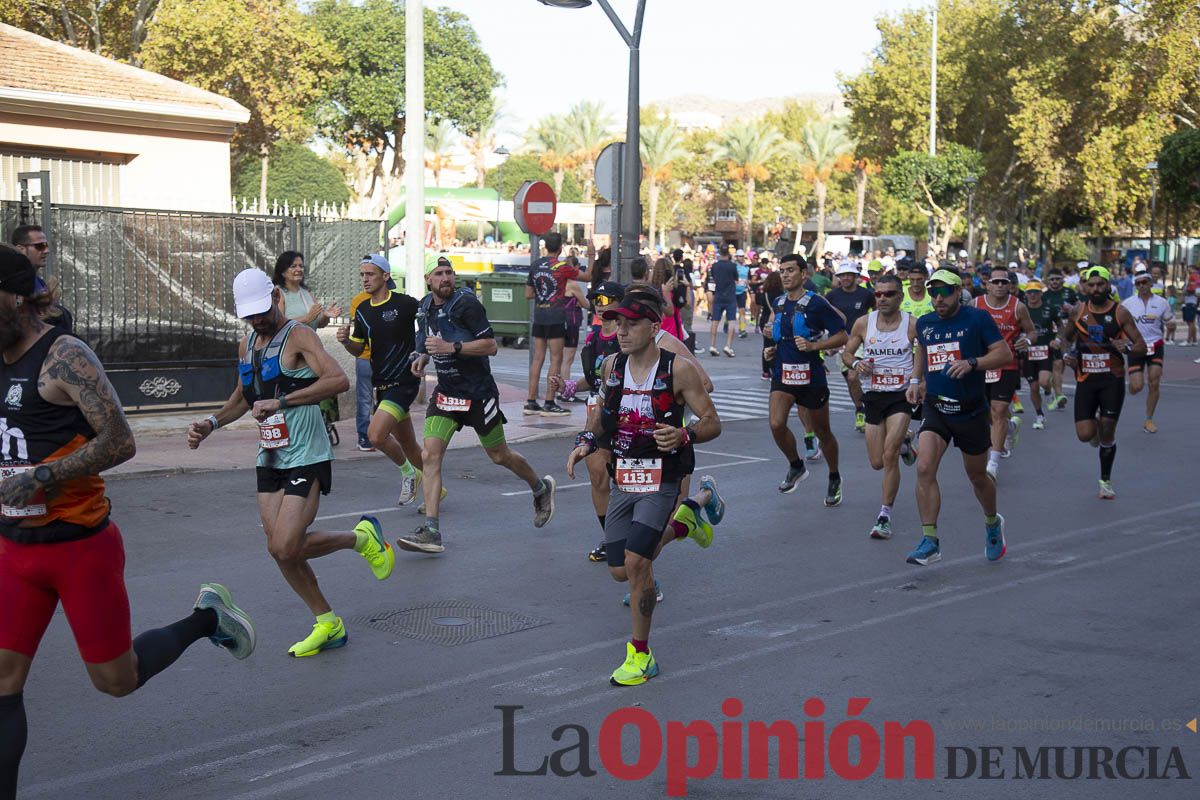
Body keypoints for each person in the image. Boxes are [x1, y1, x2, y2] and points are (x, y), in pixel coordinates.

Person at [0, 246, 256, 798]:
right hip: (13, 550)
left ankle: (206, 620)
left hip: (79, 549)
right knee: (2, 685)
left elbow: (120, 441)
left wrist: (43, 477)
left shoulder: (63, 356)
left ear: (15, 296)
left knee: (116, 681)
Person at [188, 268, 393, 657]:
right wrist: (211, 423)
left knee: (286, 544)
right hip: (270, 455)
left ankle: (361, 540)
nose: (257, 320)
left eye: (262, 311)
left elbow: (337, 381)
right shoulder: (247, 344)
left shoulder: (299, 336)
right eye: (249, 315)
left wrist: (282, 401)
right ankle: (328, 623)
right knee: (279, 549)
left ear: (277, 298)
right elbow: (244, 396)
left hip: (307, 453)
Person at [566, 293, 725, 687]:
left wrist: (684, 433)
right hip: (625, 477)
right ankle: (689, 519)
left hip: (663, 477)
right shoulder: (611, 367)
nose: (620, 331)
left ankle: (641, 654)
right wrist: (585, 440)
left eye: (630, 324)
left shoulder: (679, 370)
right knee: (621, 570)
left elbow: (712, 422)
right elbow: (602, 417)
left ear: (654, 329)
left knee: (638, 563)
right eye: (617, 324)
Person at [401, 259, 556, 553]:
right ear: (428, 279)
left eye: (449, 273)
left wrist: (453, 348)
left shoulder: (467, 304)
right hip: (447, 395)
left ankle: (540, 487)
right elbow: (423, 344)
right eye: (439, 274)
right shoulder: (424, 307)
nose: (446, 278)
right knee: (430, 455)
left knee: (499, 455)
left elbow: (490, 345)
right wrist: (420, 359)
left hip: (478, 394)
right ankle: (432, 531)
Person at [904, 269, 1011, 566]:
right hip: (936, 407)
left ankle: (991, 522)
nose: (938, 298)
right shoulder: (925, 323)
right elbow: (923, 353)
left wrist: (973, 363)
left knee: (977, 477)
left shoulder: (977, 319)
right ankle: (930, 540)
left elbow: (1004, 355)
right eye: (932, 292)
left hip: (971, 411)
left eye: (944, 292)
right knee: (924, 467)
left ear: (957, 293)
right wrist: (916, 380)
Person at [336, 255, 426, 502]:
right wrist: (345, 342)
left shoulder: (406, 303)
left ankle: (409, 473)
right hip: (382, 384)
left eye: (370, 274)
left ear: (385, 276)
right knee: (408, 443)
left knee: (375, 436)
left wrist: (423, 354)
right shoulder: (363, 310)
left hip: (405, 382)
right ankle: (435, 490)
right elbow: (358, 348)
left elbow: (428, 325)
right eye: (362, 274)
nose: (365, 279)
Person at [1055, 266, 1146, 498]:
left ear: (1108, 286)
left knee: (1108, 427)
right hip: (1085, 379)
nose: (1095, 289)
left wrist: (1126, 346)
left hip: (1111, 380)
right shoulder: (1078, 311)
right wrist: (1066, 355)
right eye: (1091, 285)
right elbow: (1065, 338)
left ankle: (1105, 481)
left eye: (1100, 284)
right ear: (1085, 287)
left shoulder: (1120, 313)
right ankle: (1095, 431)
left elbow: (1141, 345)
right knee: (1085, 435)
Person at [765, 254, 849, 506]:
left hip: (811, 378)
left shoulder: (816, 303)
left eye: (790, 270)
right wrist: (771, 349)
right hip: (783, 374)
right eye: (782, 270)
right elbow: (778, 336)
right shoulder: (779, 303)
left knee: (823, 432)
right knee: (776, 424)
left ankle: (834, 476)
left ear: (803, 274)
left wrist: (815, 346)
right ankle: (796, 465)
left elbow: (842, 335)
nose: (785, 275)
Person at [842, 272, 918, 540]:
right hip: (873, 395)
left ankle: (884, 515)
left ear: (900, 296)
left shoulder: (911, 324)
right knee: (876, 462)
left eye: (889, 294)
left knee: (889, 455)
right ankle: (907, 445)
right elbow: (847, 352)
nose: (883, 298)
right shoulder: (864, 323)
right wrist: (855, 364)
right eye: (879, 294)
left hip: (900, 396)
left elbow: (923, 356)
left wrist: (917, 382)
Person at [578, 281, 626, 563]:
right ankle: (611, 538)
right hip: (597, 415)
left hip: (628, 416)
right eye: (596, 298)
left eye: (606, 298)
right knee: (597, 476)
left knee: (626, 481)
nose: (600, 303)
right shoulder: (593, 336)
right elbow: (596, 379)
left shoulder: (629, 335)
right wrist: (570, 386)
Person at [973, 265, 1034, 482]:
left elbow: (1032, 331)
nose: (1000, 285)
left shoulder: (1018, 307)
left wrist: (1026, 340)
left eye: (1004, 282)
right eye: (995, 282)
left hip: (1006, 365)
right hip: (981, 365)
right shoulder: (976, 304)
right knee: (986, 413)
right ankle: (1011, 426)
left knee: (998, 410)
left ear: (1010, 285)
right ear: (987, 284)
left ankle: (993, 463)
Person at [524, 232, 587, 417]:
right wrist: (591, 255)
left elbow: (528, 294)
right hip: (556, 316)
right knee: (556, 359)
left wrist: (543, 294)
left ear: (545, 247)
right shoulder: (563, 267)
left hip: (539, 315)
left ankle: (530, 401)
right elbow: (588, 276)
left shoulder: (535, 265)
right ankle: (549, 402)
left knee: (538, 358)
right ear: (560, 248)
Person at [826, 261, 876, 432]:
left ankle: (865, 409)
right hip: (840, 342)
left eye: (849, 275)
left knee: (854, 377)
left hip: (862, 340)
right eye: (842, 275)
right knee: (850, 380)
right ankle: (860, 408)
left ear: (856, 277)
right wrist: (829, 342)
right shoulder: (832, 295)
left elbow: (876, 312)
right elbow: (825, 317)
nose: (846, 278)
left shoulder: (866, 294)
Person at [1122, 269, 1172, 433]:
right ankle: (1132, 387)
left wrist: (1172, 325)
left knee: (1154, 381)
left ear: (1151, 283)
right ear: (1135, 285)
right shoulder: (1127, 304)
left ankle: (1149, 420)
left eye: (1145, 282)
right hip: (1136, 347)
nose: (1142, 286)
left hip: (1155, 346)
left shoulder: (1162, 302)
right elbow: (1121, 325)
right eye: (1138, 283)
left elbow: (1169, 320)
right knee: (1137, 387)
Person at [9, 224, 72, 333]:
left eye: (47, 245)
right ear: (21, 249)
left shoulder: (39, 283)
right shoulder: (10, 284)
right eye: (40, 246)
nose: (46, 251)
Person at [1020, 280, 1060, 431]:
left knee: (1043, 382)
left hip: (1045, 351)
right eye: (1030, 292)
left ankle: (1049, 391)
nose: (1033, 295)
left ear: (1040, 294)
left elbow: (1061, 325)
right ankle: (1039, 415)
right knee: (1034, 387)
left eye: (1036, 292)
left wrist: (1057, 339)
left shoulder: (1049, 309)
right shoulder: (1021, 310)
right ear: (1026, 294)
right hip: (1028, 353)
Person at [272, 251, 341, 329]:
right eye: (293, 266)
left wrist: (325, 316)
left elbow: (319, 324)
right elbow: (278, 325)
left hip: (309, 340)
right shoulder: (278, 292)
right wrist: (307, 318)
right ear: (282, 271)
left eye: (301, 266)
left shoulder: (307, 292)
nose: (299, 269)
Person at [347, 283, 376, 452]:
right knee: (365, 398)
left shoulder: (392, 298)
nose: (366, 279)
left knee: (385, 398)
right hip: (365, 357)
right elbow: (359, 329)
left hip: (385, 358)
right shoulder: (359, 300)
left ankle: (379, 433)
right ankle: (364, 435)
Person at [707, 248, 739, 356]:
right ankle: (728, 346)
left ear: (720, 253)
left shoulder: (715, 266)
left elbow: (713, 278)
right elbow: (736, 279)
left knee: (715, 321)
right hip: (730, 296)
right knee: (731, 321)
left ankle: (712, 345)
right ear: (728, 253)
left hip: (718, 295)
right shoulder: (732, 265)